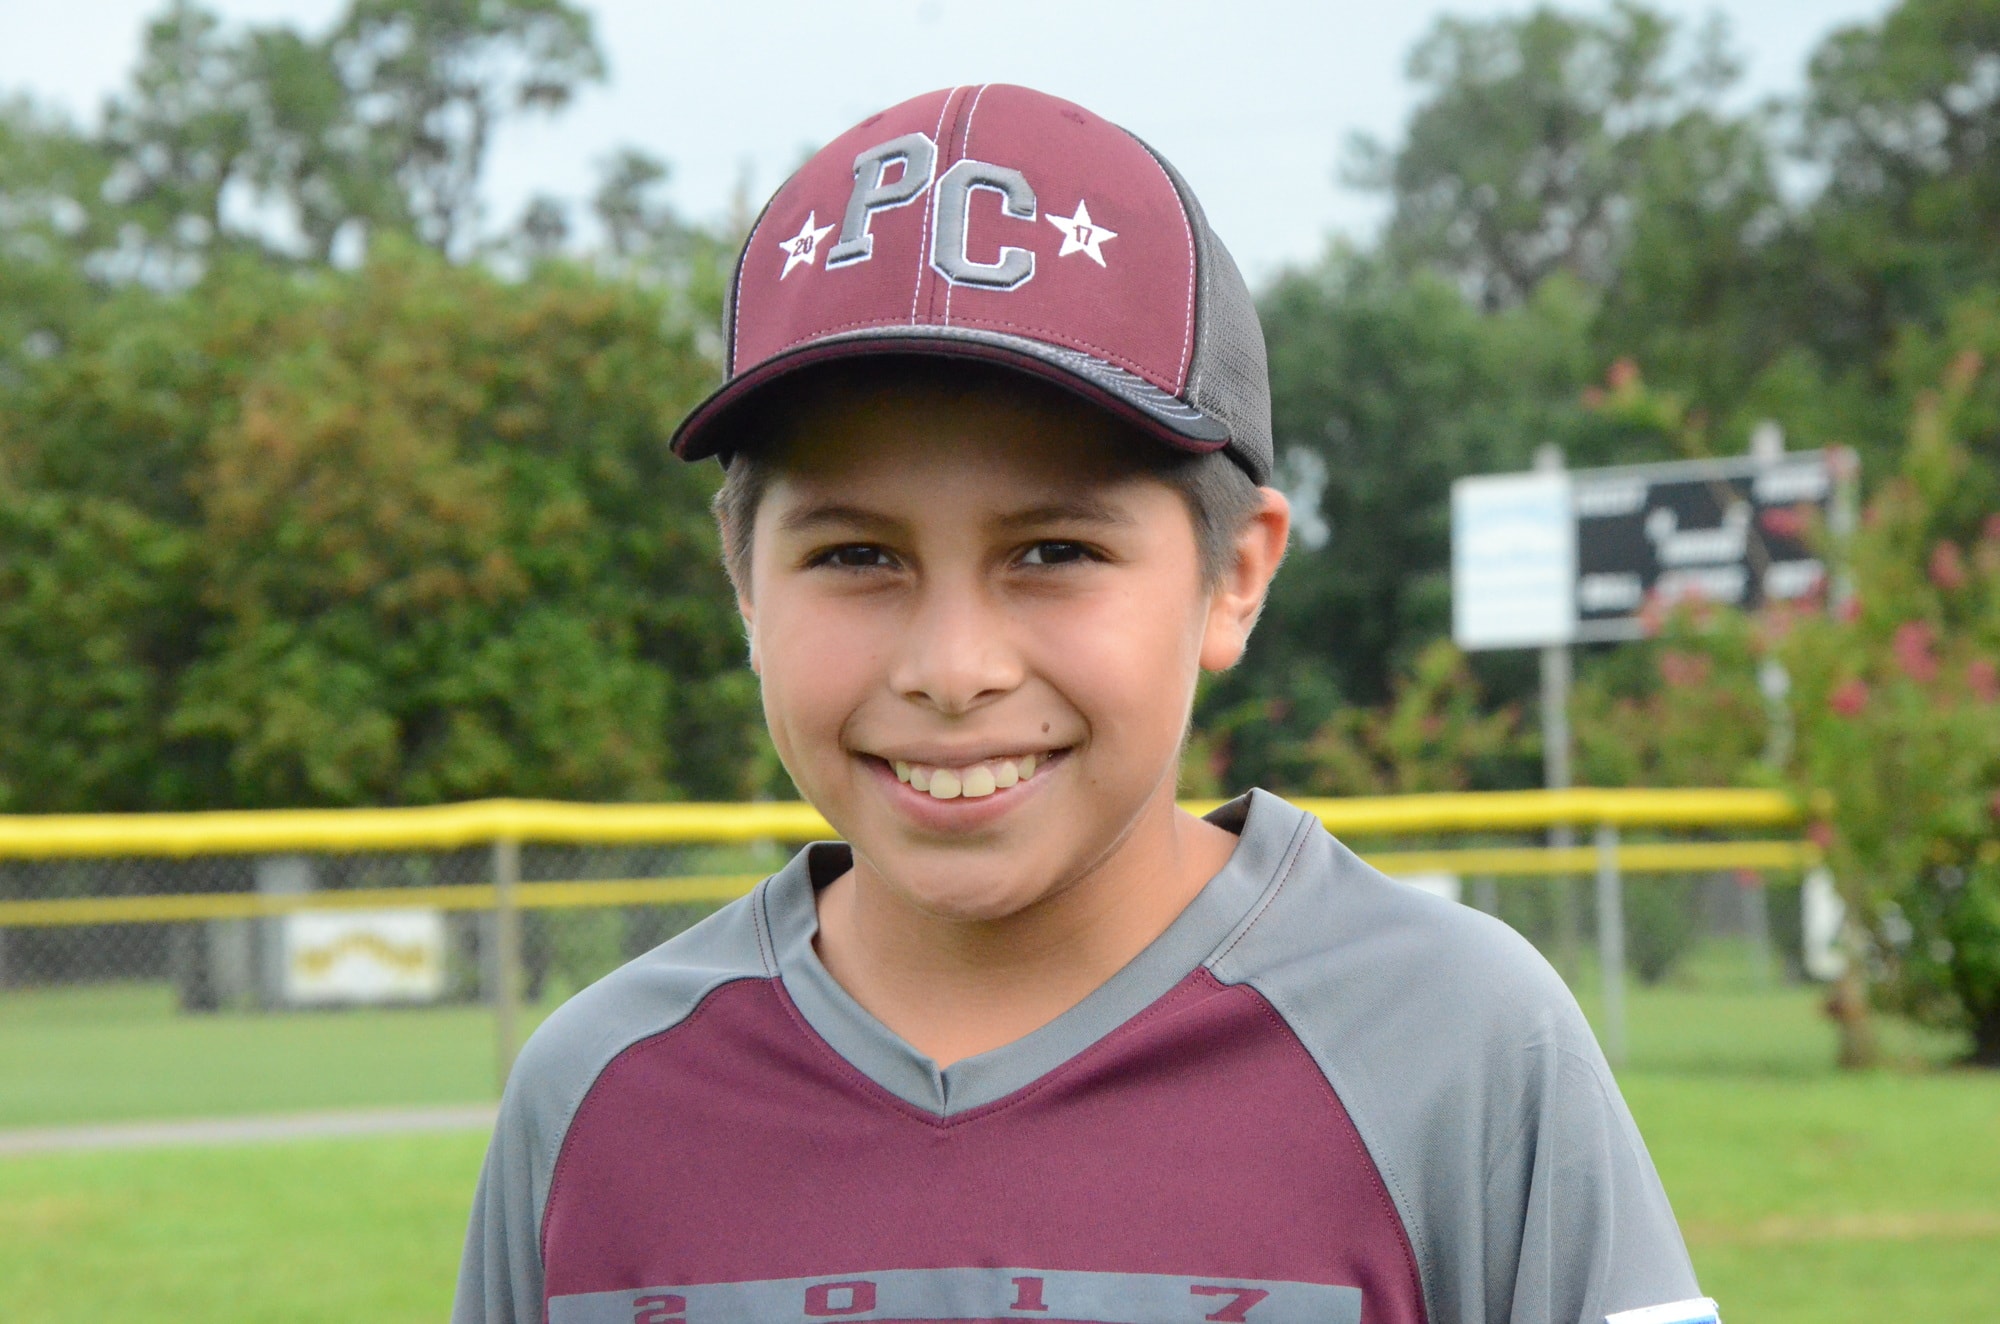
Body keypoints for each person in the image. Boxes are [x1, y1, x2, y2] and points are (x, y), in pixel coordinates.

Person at [453, 84, 1714, 1324]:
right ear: (741, 585)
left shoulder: (1455, 1048)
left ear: (1234, 578)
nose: (953, 667)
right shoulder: (599, 1098)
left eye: (1052, 551)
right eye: (853, 556)